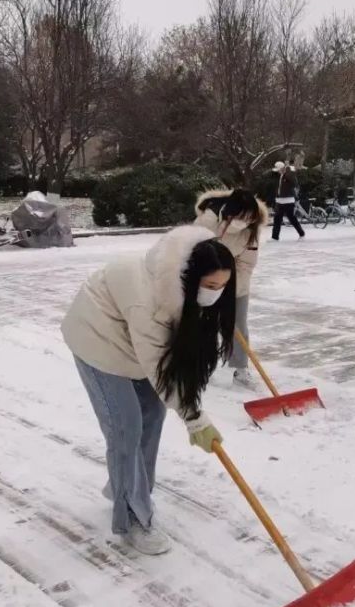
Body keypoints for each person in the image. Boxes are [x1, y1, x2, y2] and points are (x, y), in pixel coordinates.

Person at [61, 226, 235, 555]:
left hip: (131, 340)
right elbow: (159, 365)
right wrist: (194, 417)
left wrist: (190, 410)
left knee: (153, 412)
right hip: (96, 339)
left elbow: (171, 361)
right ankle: (133, 517)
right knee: (125, 426)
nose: (216, 294)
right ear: (191, 276)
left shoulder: (179, 285)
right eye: (210, 286)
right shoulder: (150, 301)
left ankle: (123, 486)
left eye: (222, 287)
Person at [194, 188, 267, 389]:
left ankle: (240, 369)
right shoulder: (207, 222)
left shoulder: (253, 228)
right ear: (229, 212)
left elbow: (246, 264)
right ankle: (202, 366)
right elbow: (192, 255)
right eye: (241, 217)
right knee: (204, 324)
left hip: (235, 279)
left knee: (238, 324)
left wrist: (230, 287)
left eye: (249, 219)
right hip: (205, 278)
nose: (245, 222)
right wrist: (211, 284)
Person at [271, 161, 304, 241]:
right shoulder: (280, 176)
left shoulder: (289, 174)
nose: (278, 171)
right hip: (279, 201)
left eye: (279, 169)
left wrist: (287, 170)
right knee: (277, 219)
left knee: (292, 218)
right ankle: (275, 237)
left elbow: (295, 183)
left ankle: (301, 233)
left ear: (282, 168)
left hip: (288, 201)